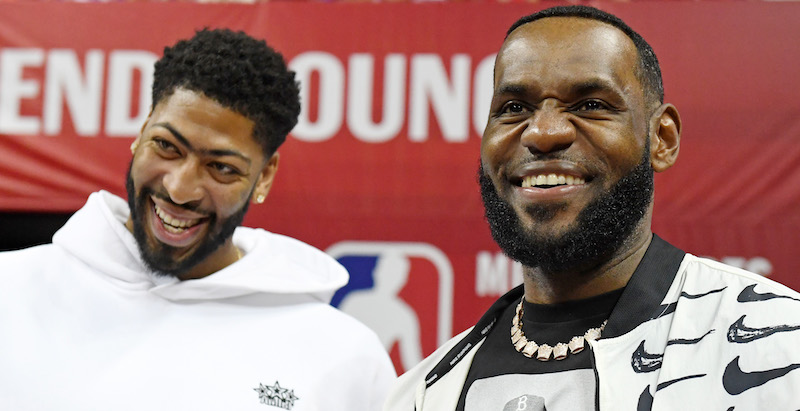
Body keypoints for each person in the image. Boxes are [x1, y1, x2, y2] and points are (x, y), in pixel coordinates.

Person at [384, 6, 800, 410]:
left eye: (590, 105)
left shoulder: (778, 348)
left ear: (662, 138)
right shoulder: (421, 393)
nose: (544, 133)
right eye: (514, 109)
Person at [0, 28, 394, 410]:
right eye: (167, 146)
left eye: (221, 168)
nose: (179, 189)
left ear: (265, 175)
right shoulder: (11, 291)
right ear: (141, 132)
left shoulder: (342, 355)